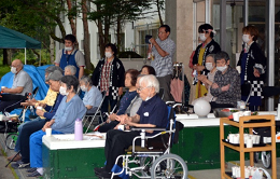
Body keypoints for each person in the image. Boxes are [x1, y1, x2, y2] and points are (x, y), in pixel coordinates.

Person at [94, 75, 168, 178]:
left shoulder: (159, 105)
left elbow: (151, 129)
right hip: (139, 134)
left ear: (151, 89)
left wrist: (132, 124)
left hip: (149, 139)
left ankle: (115, 171)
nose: (138, 91)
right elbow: (137, 116)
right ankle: (110, 167)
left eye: (141, 88)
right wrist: (129, 119)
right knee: (111, 133)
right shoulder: (145, 101)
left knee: (119, 138)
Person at [26, 75, 87, 177]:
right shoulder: (65, 99)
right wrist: (49, 122)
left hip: (65, 131)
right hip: (57, 127)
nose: (61, 87)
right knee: (33, 136)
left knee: (35, 139)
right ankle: (38, 165)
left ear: (71, 88)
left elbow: (65, 121)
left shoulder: (75, 101)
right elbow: (57, 115)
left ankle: (40, 168)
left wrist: (51, 127)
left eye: (63, 85)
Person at [10, 70, 64, 167]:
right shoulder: (59, 94)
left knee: (26, 129)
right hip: (49, 120)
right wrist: (44, 105)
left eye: (51, 84)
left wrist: (43, 113)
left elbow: (57, 115)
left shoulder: (63, 95)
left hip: (53, 122)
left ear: (58, 82)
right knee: (25, 128)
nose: (50, 87)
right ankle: (24, 155)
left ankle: (26, 159)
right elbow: (53, 110)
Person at [237, 25, 266, 111]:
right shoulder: (245, 48)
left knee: (252, 101)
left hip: (253, 80)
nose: (244, 35)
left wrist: (257, 69)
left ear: (252, 36)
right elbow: (240, 62)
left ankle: (253, 121)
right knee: (243, 101)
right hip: (244, 78)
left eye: (246, 33)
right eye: (244, 33)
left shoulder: (255, 47)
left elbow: (262, 60)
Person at [91, 43, 125, 113]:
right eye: (105, 50)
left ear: (113, 52)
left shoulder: (117, 62)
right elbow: (96, 73)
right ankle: (103, 121)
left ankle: (113, 121)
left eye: (108, 50)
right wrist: (93, 84)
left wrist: (121, 87)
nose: (106, 52)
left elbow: (122, 75)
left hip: (113, 88)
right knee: (102, 106)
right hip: (102, 87)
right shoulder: (101, 61)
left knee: (113, 105)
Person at [192, 24, 221, 99]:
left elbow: (217, 62)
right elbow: (195, 59)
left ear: (208, 33)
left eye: (202, 32)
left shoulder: (215, 46)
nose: (200, 35)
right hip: (199, 76)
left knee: (207, 96)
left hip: (209, 76)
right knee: (199, 96)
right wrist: (195, 66)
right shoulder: (199, 47)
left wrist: (204, 67)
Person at [149, 25, 175, 102]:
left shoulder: (171, 43)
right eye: (158, 33)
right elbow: (150, 55)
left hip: (164, 73)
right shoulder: (156, 41)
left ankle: (167, 111)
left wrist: (155, 44)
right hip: (154, 72)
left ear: (167, 33)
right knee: (154, 95)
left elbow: (163, 54)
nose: (159, 34)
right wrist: (150, 46)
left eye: (162, 33)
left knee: (164, 95)